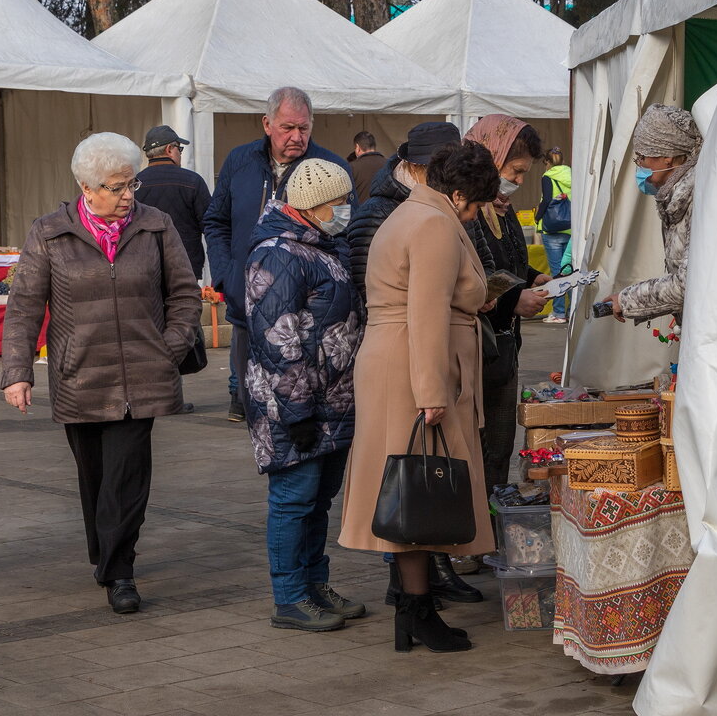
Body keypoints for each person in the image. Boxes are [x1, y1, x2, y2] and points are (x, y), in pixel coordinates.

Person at [0, 132, 200, 614]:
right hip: (80, 377)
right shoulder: (50, 233)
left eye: (132, 185)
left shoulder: (156, 226)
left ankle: (120, 571)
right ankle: (104, 554)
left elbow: (185, 293)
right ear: (86, 188)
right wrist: (16, 372)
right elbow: (24, 306)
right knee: (94, 477)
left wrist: (168, 348)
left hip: (143, 376)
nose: (128, 195)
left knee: (127, 478)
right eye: (116, 186)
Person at [338, 140, 501, 653]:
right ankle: (417, 610)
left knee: (413, 493)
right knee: (422, 490)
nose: (476, 216)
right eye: (475, 206)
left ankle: (414, 609)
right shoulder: (432, 225)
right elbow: (426, 312)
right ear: (457, 194)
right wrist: (430, 391)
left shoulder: (415, 213)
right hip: (412, 364)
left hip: (398, 359)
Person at [244, 158, 365, 632]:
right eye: (340, 202)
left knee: (318, 500)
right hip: (296, 403)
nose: (346, 210)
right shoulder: (279, 253)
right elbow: (278, 336)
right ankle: (289, 596)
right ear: (314, 206)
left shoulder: (321, 245)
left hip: (331, 400)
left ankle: (316, 584)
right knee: (294, 498)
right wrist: (297, 410)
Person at [204, 87, 353, 424]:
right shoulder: (239, 162)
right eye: (287, 128)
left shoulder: (329, 168)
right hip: (246, 300)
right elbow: (215, 219)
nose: (296, 136)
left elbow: (348, 233)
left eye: (304, 128)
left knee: (299, 409)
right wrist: (226, 272)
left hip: (308, 313)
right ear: (267, 124)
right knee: (252, 399)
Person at [465, 115, 550, 500]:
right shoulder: (468, 214)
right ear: (491, 158)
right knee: (476, 446)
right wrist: (515, 300)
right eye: (513, 171)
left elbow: (507, 258)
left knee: (499, 445)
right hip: (476, 350)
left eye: (522, 174)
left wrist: (532, 277)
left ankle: (492, 529)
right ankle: (472, 536)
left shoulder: (501, 208)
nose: (515, 182)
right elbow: (476, 276)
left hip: (503, 348)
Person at [135, 124, 212, 415]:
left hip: (143, 270)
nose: (180, 153)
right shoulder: (192, 182)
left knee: (148, 329)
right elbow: (211, 224)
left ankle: (145, 396)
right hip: (184, 269)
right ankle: (171, 396)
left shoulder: (136, 184)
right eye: (179, 148)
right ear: (170, 150)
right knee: (178, 330)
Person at [603, 104, 703, 323]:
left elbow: (690, 283)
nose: (639, 166)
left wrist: (626, 300)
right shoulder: (676, 199)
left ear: (667, 156)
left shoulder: (699, 198)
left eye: (642, 157)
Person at [535, 147, 572, 323]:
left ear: (547, 162)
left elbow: (547, 199)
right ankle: (573, 311)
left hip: (552, 229)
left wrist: (537, 217)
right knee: (570, 272)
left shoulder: (548, 176)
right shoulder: (573, 175)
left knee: (556, 273)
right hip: (571, 228)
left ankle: (558, 313)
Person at [346, 130, 387, 204]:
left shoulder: (351, 167)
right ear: (374, 147)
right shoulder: (389, 164)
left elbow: (344, 198)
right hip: (386, 214)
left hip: (360, 214)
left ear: (358, 147)